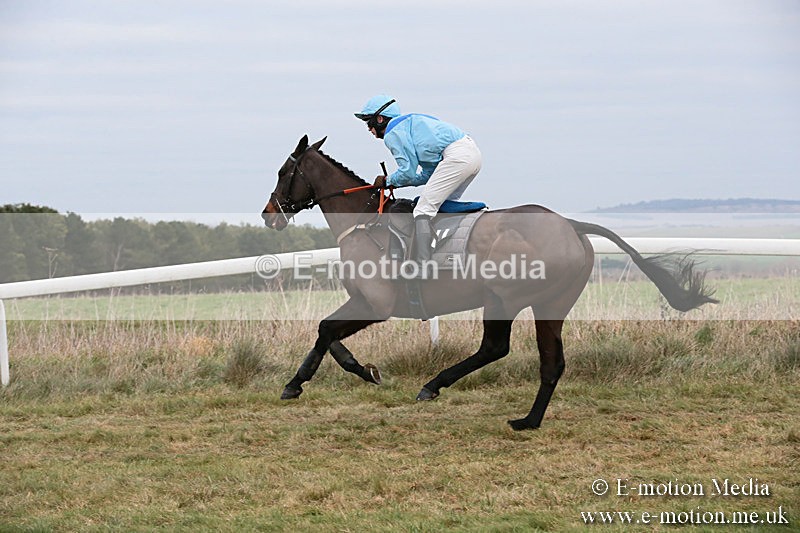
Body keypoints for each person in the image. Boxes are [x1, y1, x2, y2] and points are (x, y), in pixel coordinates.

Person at [355, 94, 482, 266]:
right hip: (471, 154)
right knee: (442, 206)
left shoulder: (393, 132)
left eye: (368, 122)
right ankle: (446, 256)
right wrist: (393, 181)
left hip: (457, 158)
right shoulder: (410, 126)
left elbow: (407, 172)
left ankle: (422, 266)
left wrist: (387, 180)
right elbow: (426, 175)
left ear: (380, 119)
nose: (368, 129)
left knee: (423, 210)